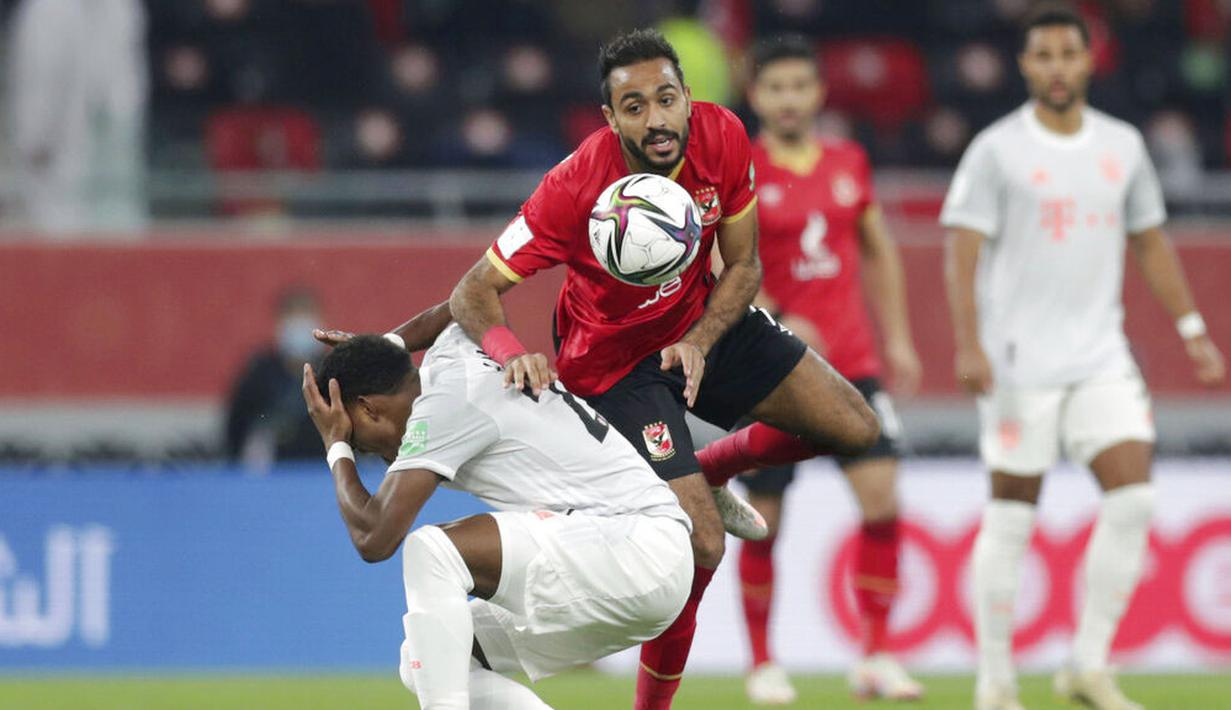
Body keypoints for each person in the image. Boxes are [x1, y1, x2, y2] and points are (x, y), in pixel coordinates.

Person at [445, 28, 880, 709]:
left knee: (856, 426)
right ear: (610, 117)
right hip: (613, 366)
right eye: (635, 106)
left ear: (687, 100)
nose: (655, 119)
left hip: (701, 325)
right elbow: (471, 291)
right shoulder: (574, 185)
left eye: (666, 99)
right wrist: (512, 351)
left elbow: (743, 266)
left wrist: (704, 338)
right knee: (701, 546)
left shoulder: (724, 136)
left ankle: (713, 466)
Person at [940, 5, 1226, 710]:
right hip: (1016, 364)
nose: (1056, 67)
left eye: (1068, 54)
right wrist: (968, 343)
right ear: (1025, 65)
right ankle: (995, 679)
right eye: (1043, 55)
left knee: (1133, 500)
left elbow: (1150, 241)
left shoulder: (1122, 145)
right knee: (1011, 515)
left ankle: (1087, 666)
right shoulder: (997, 149)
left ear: (1088, 60)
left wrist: (1191, 326)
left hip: (1101, 353)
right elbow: (960, 250)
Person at [301, 329, 694, 710]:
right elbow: (458, 303)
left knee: (432, 551)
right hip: (637, 558)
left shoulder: (446, 403)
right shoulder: (455, 347)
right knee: (428, 658)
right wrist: (383, 345)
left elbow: (374, 538)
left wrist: (336, 445)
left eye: (359, 440)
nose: (372, 454)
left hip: (633, 544)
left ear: (369, 407)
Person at [731, 35, 924, 704]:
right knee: (766, 519)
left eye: (798, 87)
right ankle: (762, 664)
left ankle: (874, 654)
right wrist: (779, 320)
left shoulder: (849, 161)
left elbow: (877, 249)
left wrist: (896, 337)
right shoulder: (740, 173)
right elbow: (727, 270)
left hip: (853, 364)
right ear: (755, 95)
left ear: (817, 93)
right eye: (774, 88)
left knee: (882, 501)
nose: (788, 100)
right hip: (777, 374)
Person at [225, 287, 327, 470]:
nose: (300, 326)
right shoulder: (260, 372)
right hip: (272, 476)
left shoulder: (333, 371)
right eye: (293, 316)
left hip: (324, 474)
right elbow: (236, 425)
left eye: (305, 315)